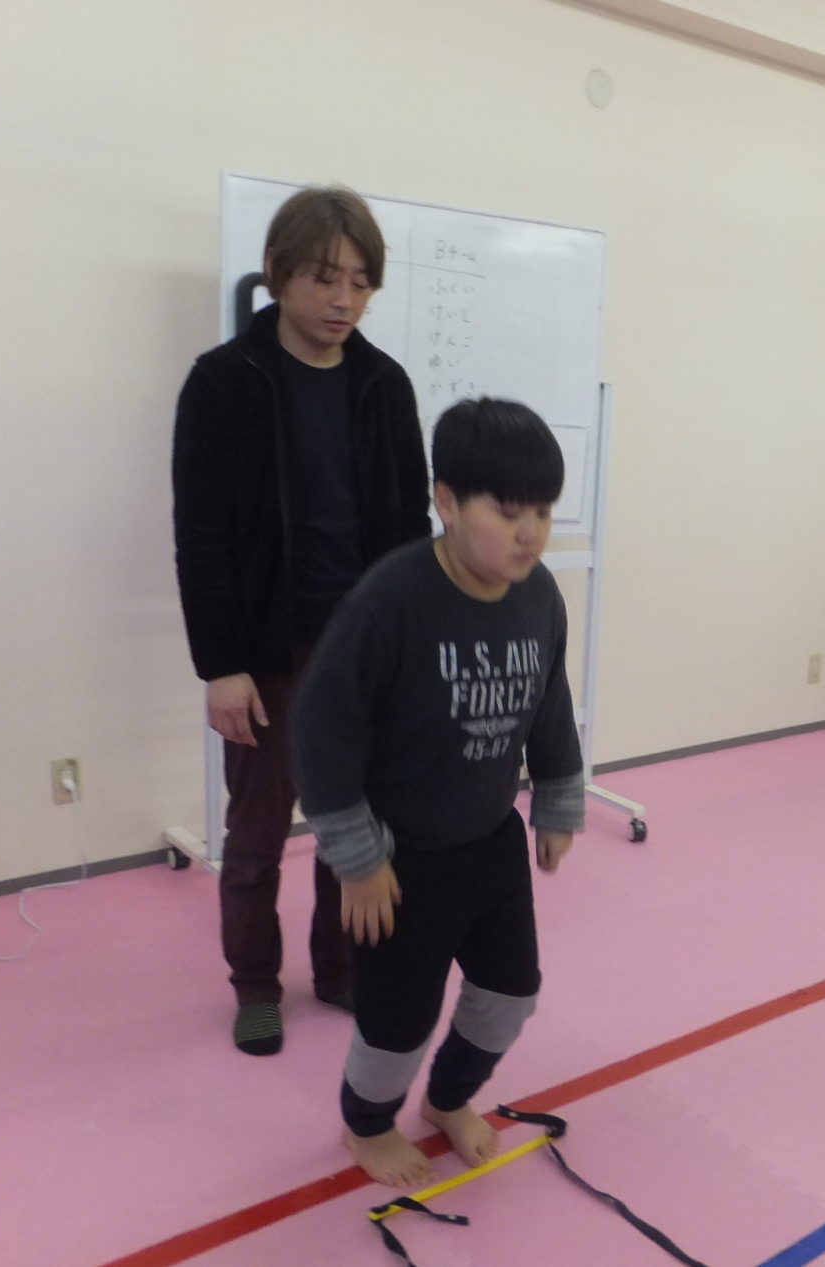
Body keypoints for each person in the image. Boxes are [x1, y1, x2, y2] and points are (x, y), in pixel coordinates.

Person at [292, 398, 585, 1188]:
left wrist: (557, 800)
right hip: (397, 862)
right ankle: (368, 1124)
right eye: (509, 512)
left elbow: (548, 702)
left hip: (489, 843)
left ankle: (450, 1096)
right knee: (398, 1020)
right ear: (447, 502)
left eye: (543, 512)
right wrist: (357, 860)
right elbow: (320, 732)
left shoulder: (539, 595)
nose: (530, 533)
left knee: (510, 992)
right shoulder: (391, 600)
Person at [172, 185, 430, 1056]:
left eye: (360, 282)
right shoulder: (223, 383)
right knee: (254, 838)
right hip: (266, 652)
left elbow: (408, 532)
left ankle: (341, 969)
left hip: (362, 648)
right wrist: (222, 664)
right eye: (325, 278)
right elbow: (200, 535)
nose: (343, 299)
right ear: (278, 273)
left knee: (352, 826)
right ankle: (255, 985)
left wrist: (408, 647)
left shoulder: (384, 386)